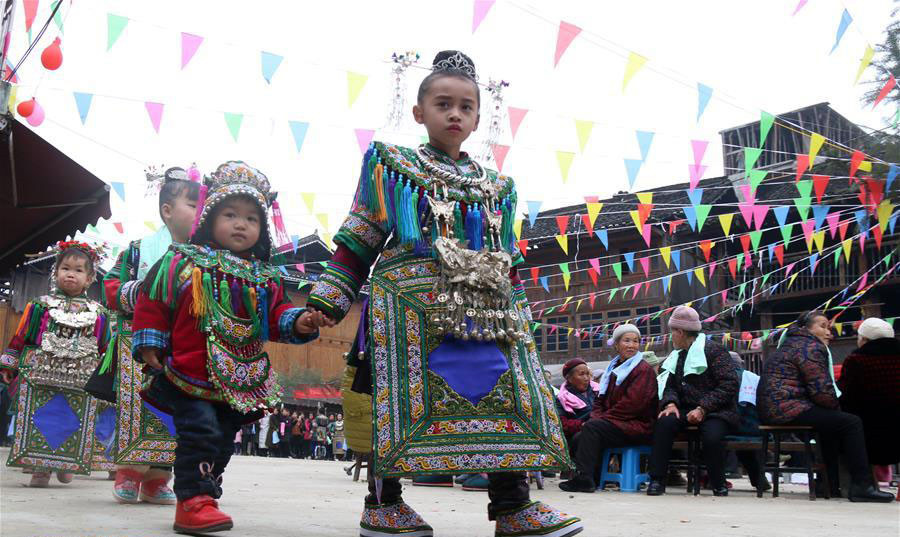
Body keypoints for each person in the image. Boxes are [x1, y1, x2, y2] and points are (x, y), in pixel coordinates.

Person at [306, 50, 581, 537]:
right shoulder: (393, 166)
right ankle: (383, 503)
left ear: (478, 117)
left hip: (486, 314)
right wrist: (330, 296)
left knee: (507, 395)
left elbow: (505, 254)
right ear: (419, 113)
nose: (455, 114)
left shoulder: (496, 186)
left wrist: (518, 312)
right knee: (388, 402)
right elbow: (361, 234)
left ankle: (513, 505)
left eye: (466, 107)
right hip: (407, 314)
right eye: (443, 104)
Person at [132, 161, 328, 533]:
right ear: (209, 217)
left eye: (252, 218)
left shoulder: (264, 277)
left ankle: (206, 493)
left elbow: (277, 317)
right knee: (201, 432)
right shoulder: (182, 261)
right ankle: (191, 501)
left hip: (242, 376)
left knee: (222, 440)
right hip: (189, 370)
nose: (241, 224)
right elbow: (152, 301)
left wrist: (300, 321)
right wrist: (149, 343)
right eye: (231, 214)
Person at [100, 167, 200, 505]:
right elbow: (109, 286)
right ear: (167, 210)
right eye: (192, 204)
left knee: (177, 413)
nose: (200, 212)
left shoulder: (207, 257)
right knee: (140, 408)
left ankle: (160, 478)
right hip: (141, 343)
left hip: (185, 347)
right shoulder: (139, 250)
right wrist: (145, 291)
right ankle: (129, 472)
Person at [1, 241, 111, 487]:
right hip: (41, 376)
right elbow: (22, 337)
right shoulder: (40, 306)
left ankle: (67, 462)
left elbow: (105, 347)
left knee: (73, 419)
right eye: (65, 268)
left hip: (81, 380)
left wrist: (105, 377)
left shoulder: (99, 313)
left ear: (90, 278)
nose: (71, 273)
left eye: (79, 270)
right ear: (56, 271)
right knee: (42, 417)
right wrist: (9, 365)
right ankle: (41, 469)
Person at [758, 311, 894, 502]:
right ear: (806, 328)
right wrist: (837, 407)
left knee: (831, 424)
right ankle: (862, 486)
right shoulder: (810, 347)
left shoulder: (791, 344)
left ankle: (826, 484)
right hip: (788, 407)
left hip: (775, 408)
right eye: (822, 326)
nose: (828, 332)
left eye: (829, 327)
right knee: (851, 422)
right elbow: (821, 390)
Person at [646, 306, 739, 497]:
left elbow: (729, 384)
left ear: (680, 332)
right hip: (685, 407)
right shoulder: (676, 356)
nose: (672, 336)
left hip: (715, 410)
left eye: (672, 332)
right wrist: (670, 403)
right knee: (664, 423)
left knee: (712, 436)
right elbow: (668, 385)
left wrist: (703, 408)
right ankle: (657, 480)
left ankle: (718, 482)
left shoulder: (714, 351)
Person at [559, 324, 659, 493]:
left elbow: (632, 405)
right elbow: (601, 400)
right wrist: (597, 416)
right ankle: (591, 478)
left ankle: (585, 479)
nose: (631, 345)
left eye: (635, 341)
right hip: (617, 423)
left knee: (592, 427)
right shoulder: (613, 369)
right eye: (626, 341)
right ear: (617, 344)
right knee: (578, 436)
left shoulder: (643, 370)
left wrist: (602, 419)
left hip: (637, 425)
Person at [839, 318, 900, 482]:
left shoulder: (856, 360)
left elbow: (848, 393)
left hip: (868, 422)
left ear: (864, 339)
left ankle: (868, 484)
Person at [554, 359, 599, 455]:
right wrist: (583, 425)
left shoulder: (598, 391)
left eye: (588, 374)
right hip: (578, 436)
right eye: (581, 374)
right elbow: (561, 423)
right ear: (569, 378)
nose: (586, 378)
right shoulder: (561, 399)